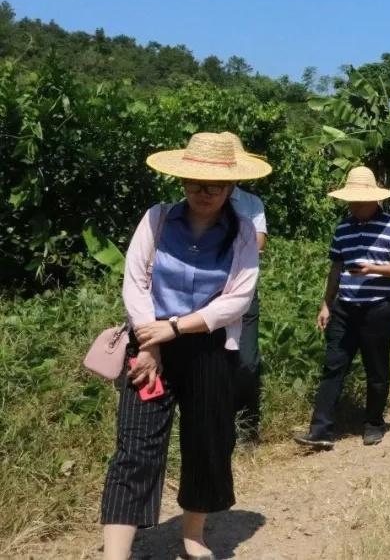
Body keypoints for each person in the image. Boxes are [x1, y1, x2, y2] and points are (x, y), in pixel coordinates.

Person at [102, 132, 268, 560]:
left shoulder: (243, 232)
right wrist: (149, 340)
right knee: (135, 447)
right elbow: (135, 280)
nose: (204, 191)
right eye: (194, 182)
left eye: (214, 184)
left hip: (209, 348)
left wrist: (174, 329)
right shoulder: (156, 219)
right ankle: (114, 554)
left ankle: (193, 534)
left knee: (207, 441)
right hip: (147, 345)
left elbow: (238, 298)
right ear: (181, 181)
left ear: (232, 186)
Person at [294, 167, 390, 451]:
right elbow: (336, 267)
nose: (355, 205)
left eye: (361, 200)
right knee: (334, 365)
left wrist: (373, 269)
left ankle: (373, 423)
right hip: (344, 308)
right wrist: (326, 303)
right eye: (352, 200)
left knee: (376, 368)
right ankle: (320, 429)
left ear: (375, 199)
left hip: (379, 308)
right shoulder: (343, 227)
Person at [221, 132, 269, 443]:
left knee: (247, 362)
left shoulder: (251, 203)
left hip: (242, 293)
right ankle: (220, 429)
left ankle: (249, 428)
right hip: (203, 297)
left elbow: (259, 242)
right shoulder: (191, 202)